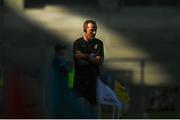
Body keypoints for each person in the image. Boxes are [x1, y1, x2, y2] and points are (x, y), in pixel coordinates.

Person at [47, 43, 96, 118]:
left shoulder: (63, 60)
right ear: (58, 50)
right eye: (61, 49)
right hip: (62, 87)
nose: (63, 51)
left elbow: (70, 71)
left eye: (63, 50)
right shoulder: (56, 61)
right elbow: (64, 71)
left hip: (68, 85)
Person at [73, 20, 104, 108]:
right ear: (85, 30)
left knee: (93, 106)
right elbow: (79, 61)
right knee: (79, 106)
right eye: (91, 30)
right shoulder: (77, 43)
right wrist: (91, 57)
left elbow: (99, 61)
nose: (94, 32)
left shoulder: (99, 43)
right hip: (80, 80)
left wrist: (85, 57)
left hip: (93, 80)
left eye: (95, 30)